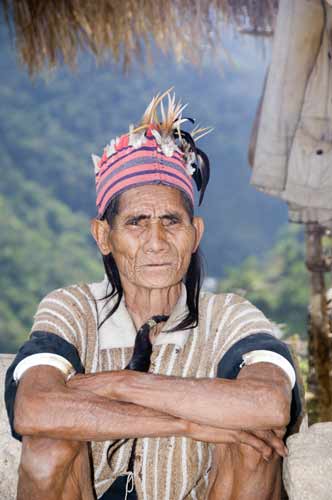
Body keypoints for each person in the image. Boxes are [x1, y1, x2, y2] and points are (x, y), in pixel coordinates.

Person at [5, 90, 301, 500]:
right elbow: (34, 408)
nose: (156, 242)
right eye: (137, 223)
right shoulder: (72, 308)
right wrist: (185, 423)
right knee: (47, 442)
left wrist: (118, 385)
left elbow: (269, 404)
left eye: (171, 221)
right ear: (103, 236)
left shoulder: (229, 315)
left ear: (194, 234)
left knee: (253, 438)